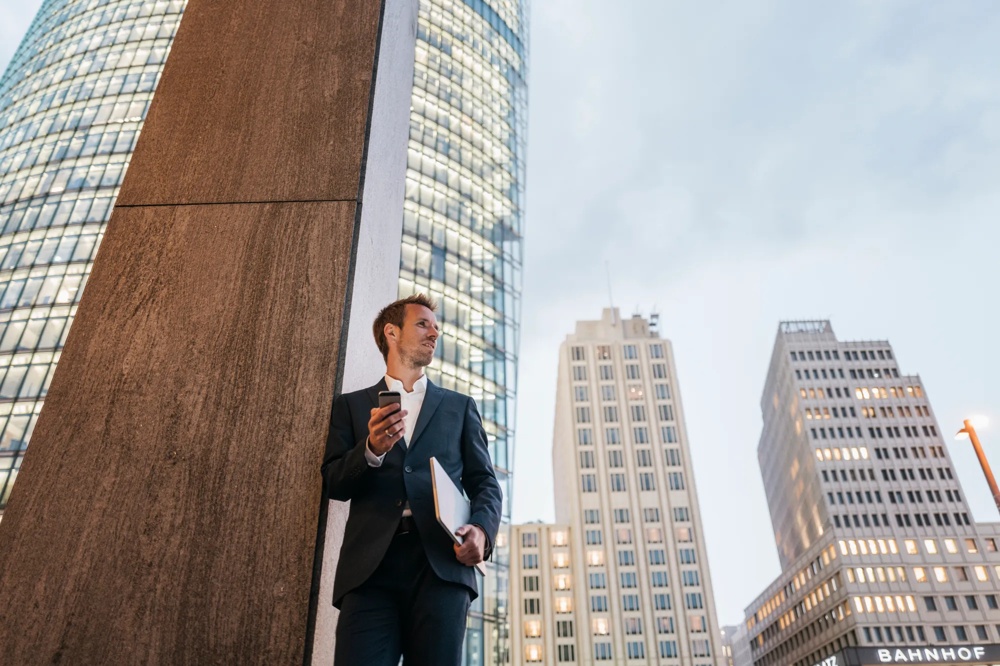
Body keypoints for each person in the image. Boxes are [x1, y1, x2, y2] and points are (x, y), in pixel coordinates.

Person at [322, 293, 502, 666]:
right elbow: (334, 484)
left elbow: (485, 483)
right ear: (391, 332)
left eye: (436, 328)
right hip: (369, 572)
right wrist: (371, 449)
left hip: (441, 566)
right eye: (423, 324)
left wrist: (482, 532)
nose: (434, 333)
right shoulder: (350, 406)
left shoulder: (459, 407)